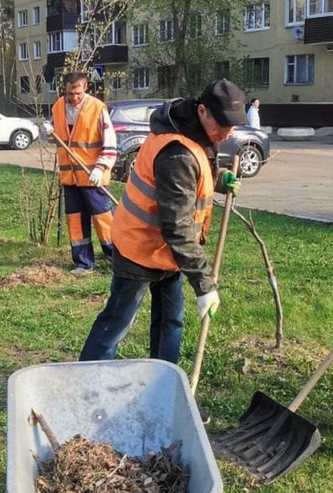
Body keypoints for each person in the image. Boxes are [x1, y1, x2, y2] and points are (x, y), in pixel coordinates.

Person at [79, 78, 245, 364]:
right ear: (203, 111)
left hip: (167, 253)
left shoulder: (193, 133)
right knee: (117, 322)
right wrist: (204, 284)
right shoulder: (177, 152)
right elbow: (177, 225)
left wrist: (218, 180)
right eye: (222, 124)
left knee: (170, 322)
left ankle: (164, 380)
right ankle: (88, 376)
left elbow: (188, 181)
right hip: (139, 247)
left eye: (232, 126)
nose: (226, 133)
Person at [46, 71, 118, 276]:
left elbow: (111, 144)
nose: (74, 98)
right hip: (70, 178)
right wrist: (48, 132)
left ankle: (118, 260)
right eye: (70, 93)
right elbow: (60, 138)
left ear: (85, 88)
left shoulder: (97, 108)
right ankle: (83, 263)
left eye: (77, 93)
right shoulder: (58, 107)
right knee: (75, 222)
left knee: (104, 220)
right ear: (65, 90)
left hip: (94, 177)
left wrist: (101, 167)